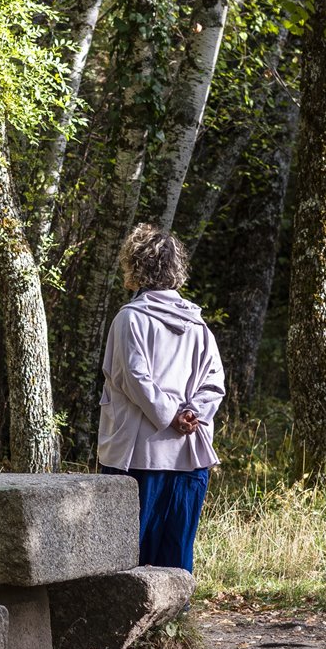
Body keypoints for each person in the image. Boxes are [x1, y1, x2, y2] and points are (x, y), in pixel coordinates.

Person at [97, 223, 226, 572]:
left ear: (135, 267)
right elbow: (214, 382)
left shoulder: (131, 319)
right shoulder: (198, 325)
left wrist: (173, 415)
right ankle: (174, 625)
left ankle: (133, 626)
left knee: (125, 559)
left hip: (138, 456)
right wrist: (190, 415)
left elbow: (135, 379)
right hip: (188, 456)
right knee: (175, 558)